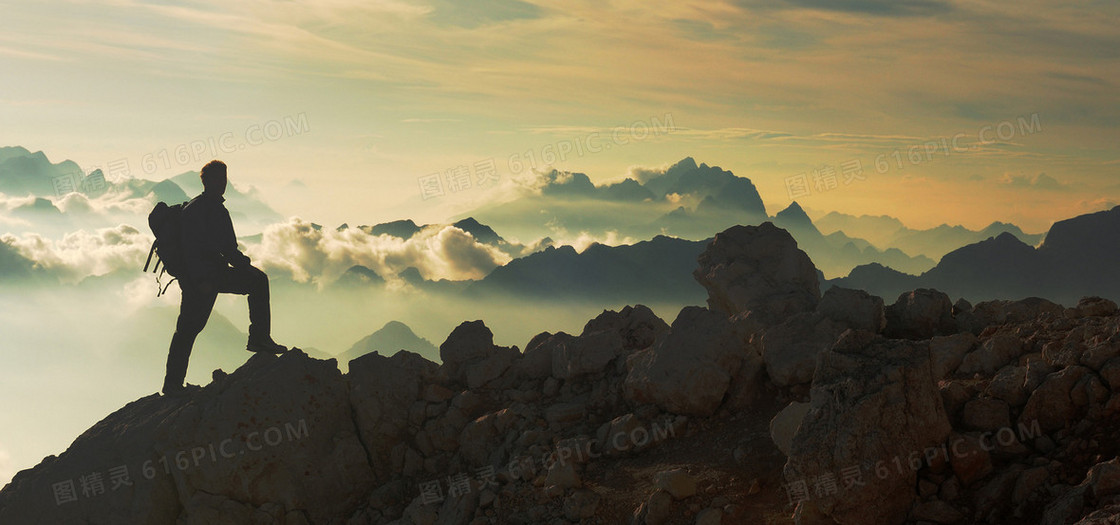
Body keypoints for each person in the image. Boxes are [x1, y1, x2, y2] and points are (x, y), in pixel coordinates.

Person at [162, 160, 287, 395]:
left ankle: (172, 384)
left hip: (199, 278)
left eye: (224, 178)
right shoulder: (211, 209)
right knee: (258, 282)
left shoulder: (196, 207)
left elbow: (207, 248)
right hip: (206, 278)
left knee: (186, 331)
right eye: (219, 179)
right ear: (207, 181)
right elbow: (226, 248)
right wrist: (243, 265)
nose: (223, 183)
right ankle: (259, 339)